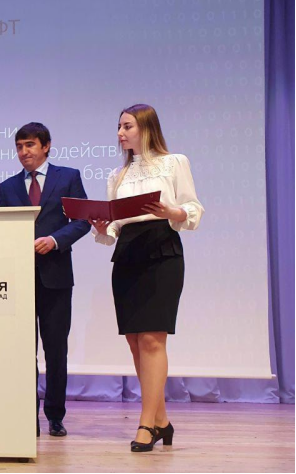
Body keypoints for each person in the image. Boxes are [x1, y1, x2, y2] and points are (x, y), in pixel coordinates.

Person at [90, 104, 204, 452]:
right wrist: (102, 228)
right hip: (127, 253)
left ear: (146, 127)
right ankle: (162, 421)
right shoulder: (118, 175)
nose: (120, 133)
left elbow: (192, 209)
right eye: (119, 127)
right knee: (135, 342)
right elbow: (114, 225)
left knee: (153, 339)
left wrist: (171, 211)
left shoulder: (174, 162)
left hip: (161, 248)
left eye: (127, 126)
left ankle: (146, 424)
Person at [0, 123, 90, 437]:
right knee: (24, 351)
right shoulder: (7, 187)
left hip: (56, 277)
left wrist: (55, 240)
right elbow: (4, 228)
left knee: (55, 350)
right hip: (20, 279)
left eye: (30, 145)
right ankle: (27, 416)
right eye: (19, 146)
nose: (24, 152)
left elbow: (82, 221)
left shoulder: (68, 177)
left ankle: (55, 415)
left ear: (46, 146)